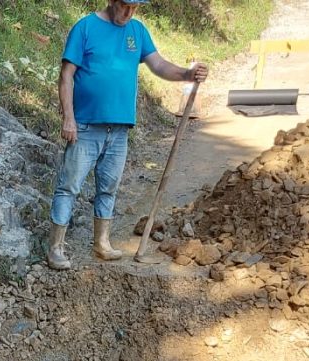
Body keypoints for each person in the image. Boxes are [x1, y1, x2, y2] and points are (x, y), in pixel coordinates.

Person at [48, 0, 208, 270]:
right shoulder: (85, 28)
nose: (129, 13)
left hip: (119, 130)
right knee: (69, 187)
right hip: (86, 126)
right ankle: (56, 247)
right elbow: (66, 76)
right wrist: (69, 118)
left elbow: (158, 65)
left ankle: (102, 243)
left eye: (135, 8)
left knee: (109, 188)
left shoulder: (137, 31)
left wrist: (187, 74)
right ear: (112, 1)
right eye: (125, 6)